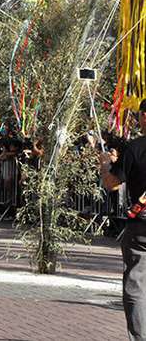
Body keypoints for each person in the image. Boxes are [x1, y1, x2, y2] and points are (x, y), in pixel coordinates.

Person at [101, 98, 146, 341]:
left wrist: (105, 166)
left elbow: (112, 183)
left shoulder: (136, 148)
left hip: (141, 225)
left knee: (136, 286)